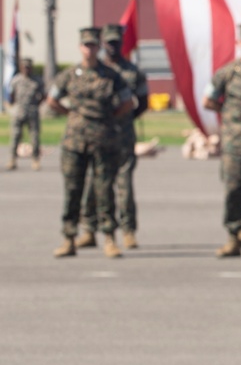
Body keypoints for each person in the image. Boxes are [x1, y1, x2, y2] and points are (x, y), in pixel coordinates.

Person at [48, 27, 132, 258]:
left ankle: (108, 238)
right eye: (86, 45)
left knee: (104, 190)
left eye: (93, 45)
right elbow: (52, 99)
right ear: (80, 47)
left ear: (99, 47)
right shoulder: (68, 75)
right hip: (75, 141)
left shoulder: (111, 75)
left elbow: (128, 103)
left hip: (104, 140)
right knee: (73, 189)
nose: (90, 49)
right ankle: (69, 238)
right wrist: (72, 115)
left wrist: (110, 117)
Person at [78, 24, 148, 249]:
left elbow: (142, 103)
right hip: (98, 134)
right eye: (108, 43)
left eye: (116, 43)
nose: (112, 47)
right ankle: (89, 229)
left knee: (124, 185)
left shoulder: (133, 72)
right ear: (102, 44)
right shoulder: (95, 71)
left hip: (124, 135)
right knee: (93, 183)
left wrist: (124, 119)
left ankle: (128, 230)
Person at [203, 22, 241, 256]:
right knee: (233, 189)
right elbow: (208, 100)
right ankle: (233, 235)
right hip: (234, 141)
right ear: (239, 43)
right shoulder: (227, 72)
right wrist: (227, 111)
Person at [6, 57, 44, 171]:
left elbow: (43, 95)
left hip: (32, 111)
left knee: (34, 137)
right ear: (21, 68)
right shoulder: (16, 80)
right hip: (19, 111)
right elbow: (11, 95)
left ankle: (35, 160)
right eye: (24, 67)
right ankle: (12, 159)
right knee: (15, 136)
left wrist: (36, 105)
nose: (26, 69)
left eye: (28, 67)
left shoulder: (37, 80)